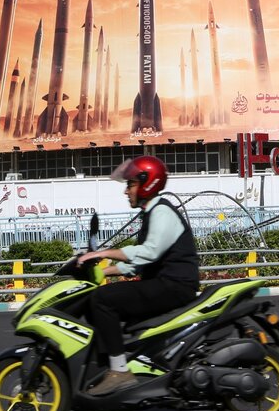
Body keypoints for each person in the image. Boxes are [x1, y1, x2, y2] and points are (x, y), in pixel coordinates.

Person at [77, 155, 200, 396]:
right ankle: (115, 363)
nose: (126, 191)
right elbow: (138, 264)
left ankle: (120, 372)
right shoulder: (150, 214)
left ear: (147, 183)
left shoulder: (162, 212)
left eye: (130, 184)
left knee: (103, 300)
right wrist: (104, 270)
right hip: (163, 283)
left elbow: (149, 252)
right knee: (97, 300)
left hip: (174, 285)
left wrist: (102, 253)